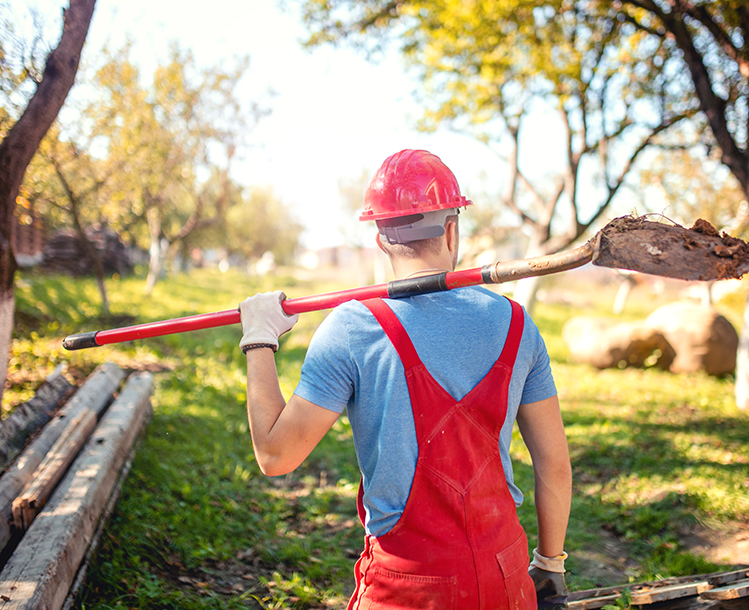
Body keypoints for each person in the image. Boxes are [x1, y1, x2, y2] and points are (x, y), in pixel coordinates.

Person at [239, 149, 572, 609]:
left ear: (381, 238)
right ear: (452, 228)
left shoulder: (351, 328)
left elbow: (275, 455)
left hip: (408, 590)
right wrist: (550, 564)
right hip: (506, 577)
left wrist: (259, 341)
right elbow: (553, 463)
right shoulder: (517, 324)